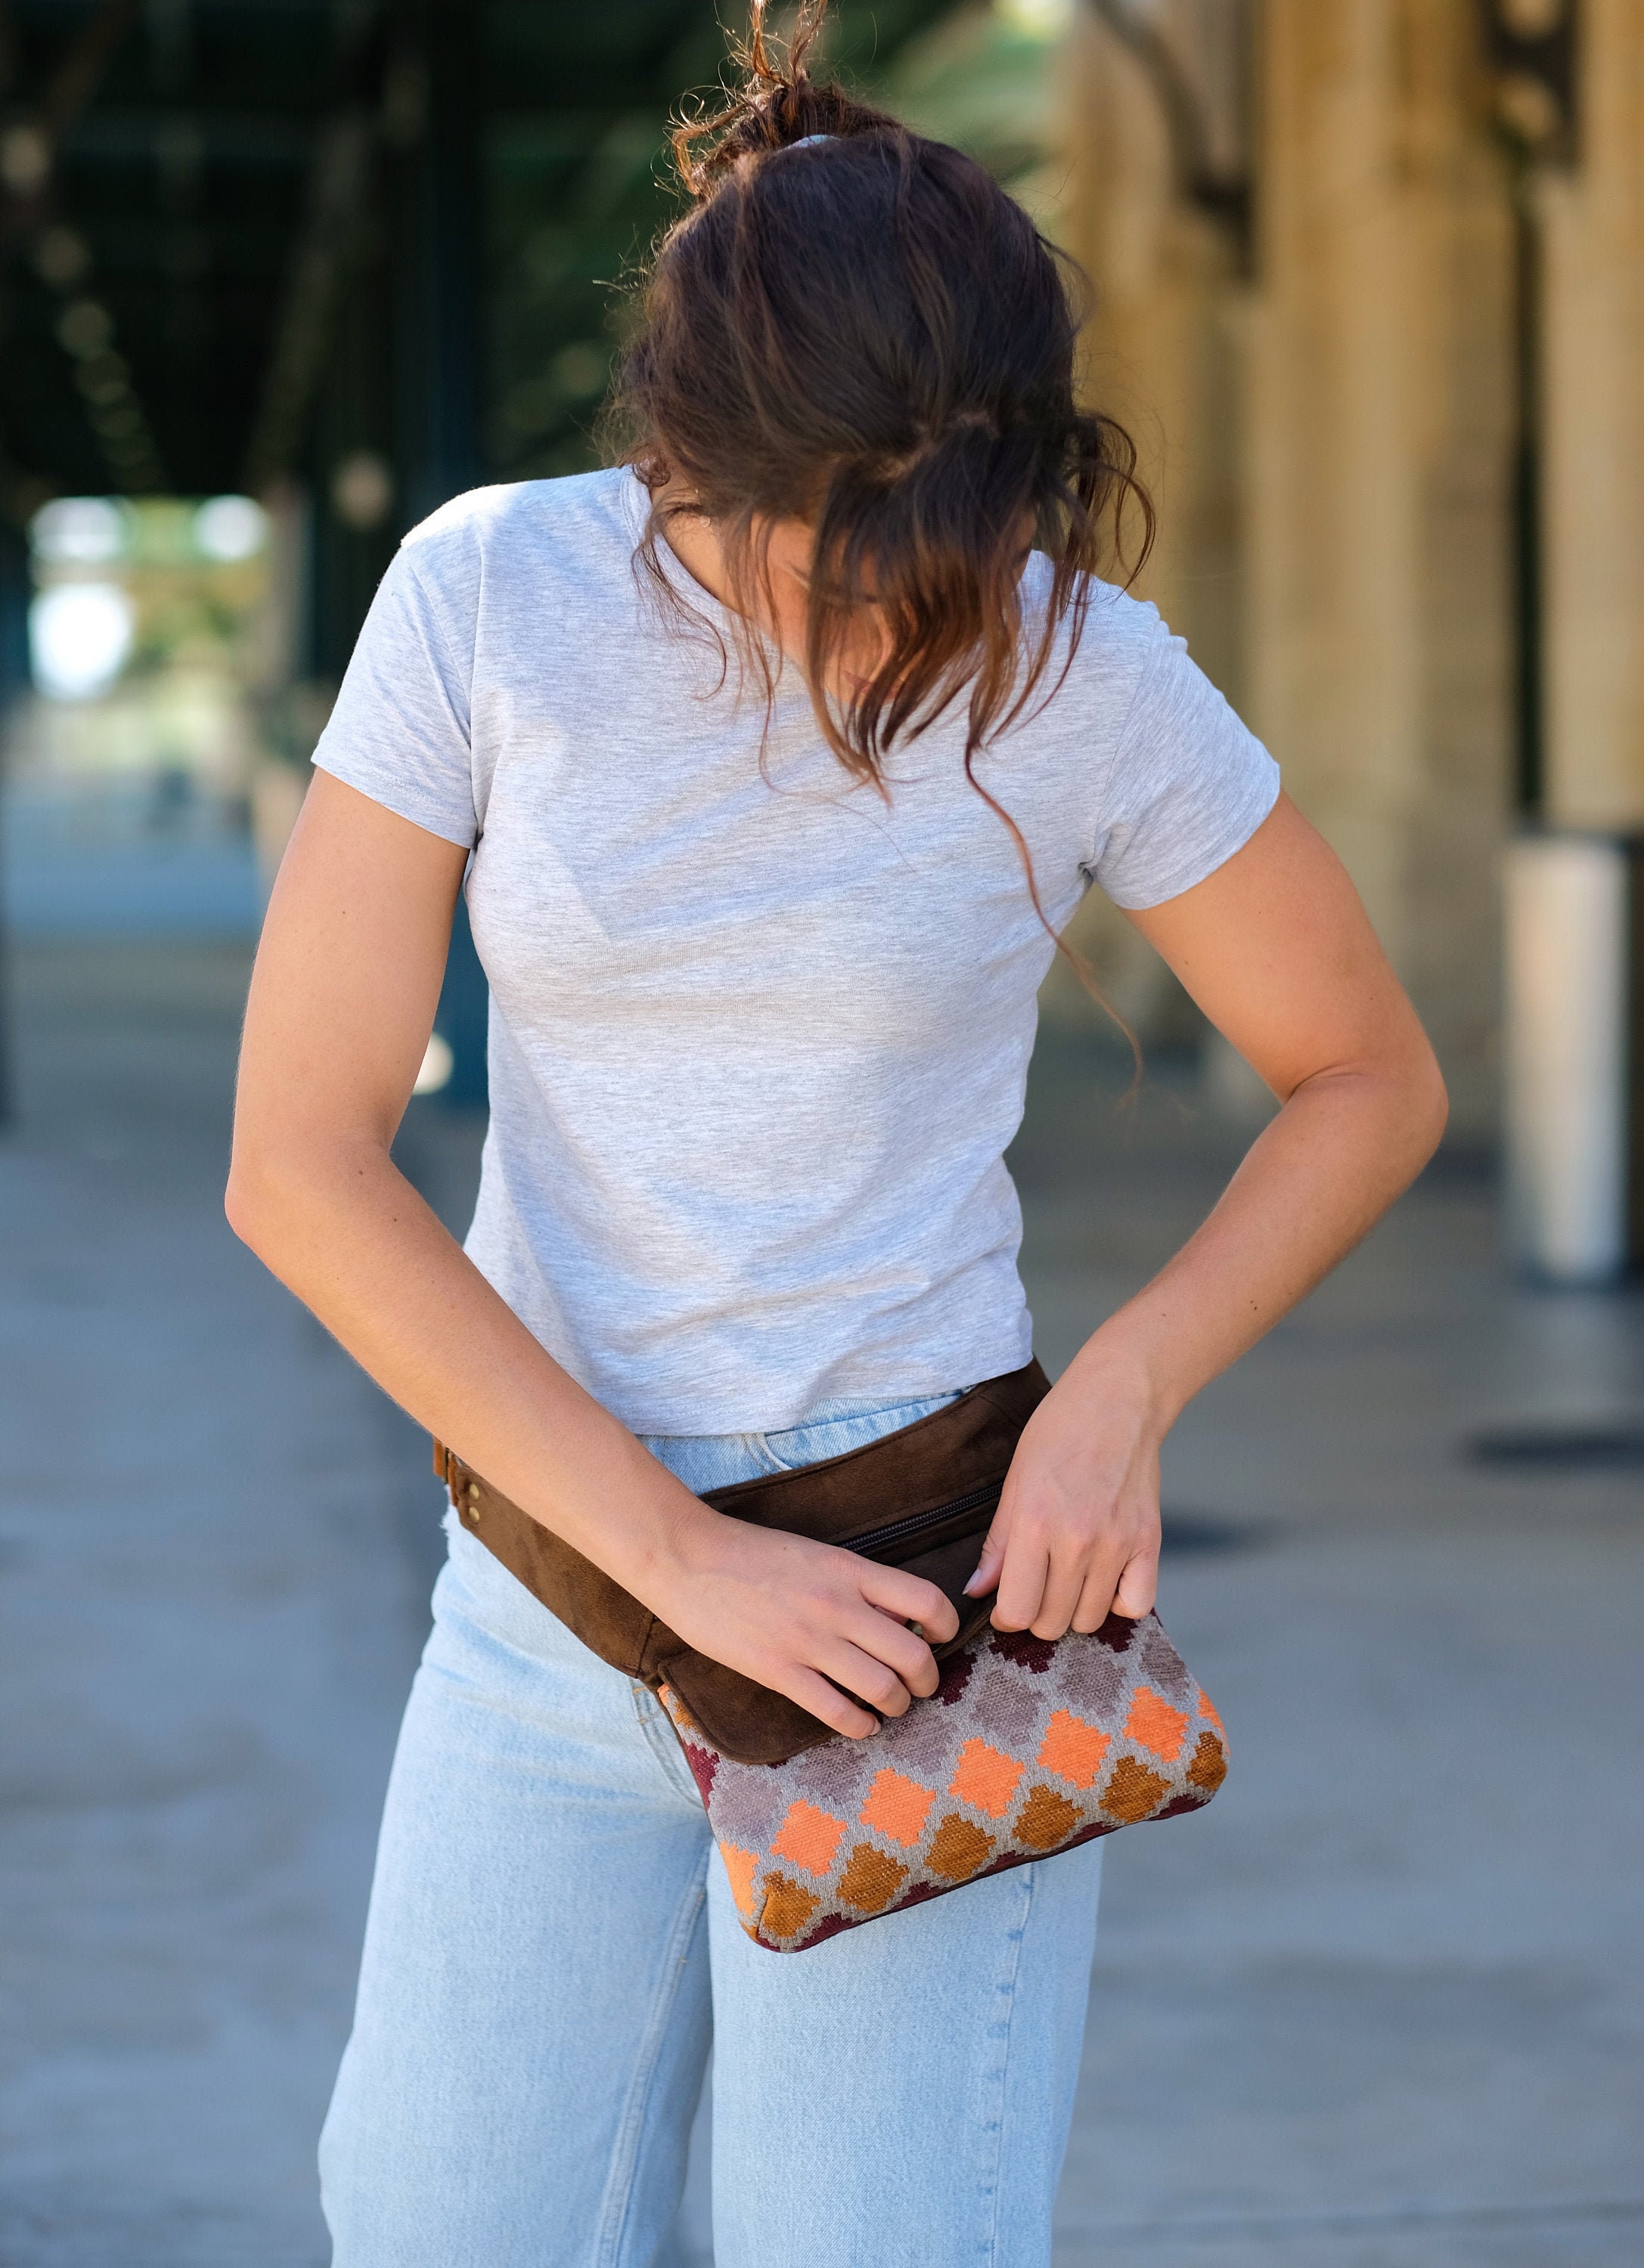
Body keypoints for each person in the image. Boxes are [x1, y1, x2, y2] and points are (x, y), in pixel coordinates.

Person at [226, 7, 1447, 2262]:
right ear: (681, 452)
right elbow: (297, 1157)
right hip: (552, 1587)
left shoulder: (1077, 660)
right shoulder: (488, 597)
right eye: (824, 543)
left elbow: (1368, 1076)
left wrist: (1123, 1391)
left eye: (937, 543)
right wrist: (676, 1565)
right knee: (430, 2225)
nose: (878, 610)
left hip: (927, 1585)